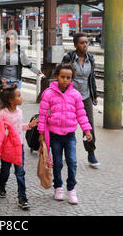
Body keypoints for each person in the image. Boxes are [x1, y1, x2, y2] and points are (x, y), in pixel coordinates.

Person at [38, 63, 93, 205]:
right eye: (62, 77)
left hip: (69, 136)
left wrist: (87, 130)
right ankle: (58, 187)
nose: (65, 80)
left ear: (72, 79)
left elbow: (81, 114)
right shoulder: (48, 94)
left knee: (72, 162)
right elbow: (43, 115)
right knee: (57, 163)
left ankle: (71, 188)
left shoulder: (75, 95)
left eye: (68, 77)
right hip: (55, 136)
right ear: (57, 76)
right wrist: (41, 132)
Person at [0, 84, 38, 210]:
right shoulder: (2, 114)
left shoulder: (20, 111)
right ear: (11, 100)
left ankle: (22, 197)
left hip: (19, 147)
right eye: (19, 96)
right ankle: (1, 185)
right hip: (7, 149)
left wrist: (30, 125)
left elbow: (18, 127)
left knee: (20, 173)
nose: (21, 97)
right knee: (5, 170)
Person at [62, 32, 100, 168]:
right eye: (82, 43)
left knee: (88, 125)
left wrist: (94, 94)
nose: (85, 45)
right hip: (70, 97)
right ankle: (66, 151)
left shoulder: (91, 59)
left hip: (86, 96)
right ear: (75, 45)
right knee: (67, 124)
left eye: (86, 43)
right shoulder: (69, 58)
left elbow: (92, 77)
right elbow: (62, 76)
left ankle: (91, 153)